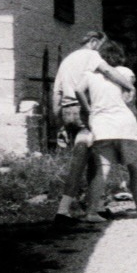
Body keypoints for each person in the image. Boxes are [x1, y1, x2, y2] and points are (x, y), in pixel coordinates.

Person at [80, 41, 137, 220]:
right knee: (135, 169)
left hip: (101, 125)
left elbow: (79, 91)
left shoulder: (88, 74)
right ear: (120, 56)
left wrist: (89, 109)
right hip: (125, 125)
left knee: (102, 170)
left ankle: (91, 212)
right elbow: (128, 100)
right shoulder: (125, 72)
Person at [51, 30, 114, 227]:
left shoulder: (67, 60)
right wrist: (127, 86)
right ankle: (63, 210)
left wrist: (59, 122)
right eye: (101, 46)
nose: (101, 51)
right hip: (84, 111)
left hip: (67, 112)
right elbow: (109, 72)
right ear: (94, 42)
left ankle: (97, 205)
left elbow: (56, 94)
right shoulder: (92, 55)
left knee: (92, 158)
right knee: (83, 161)